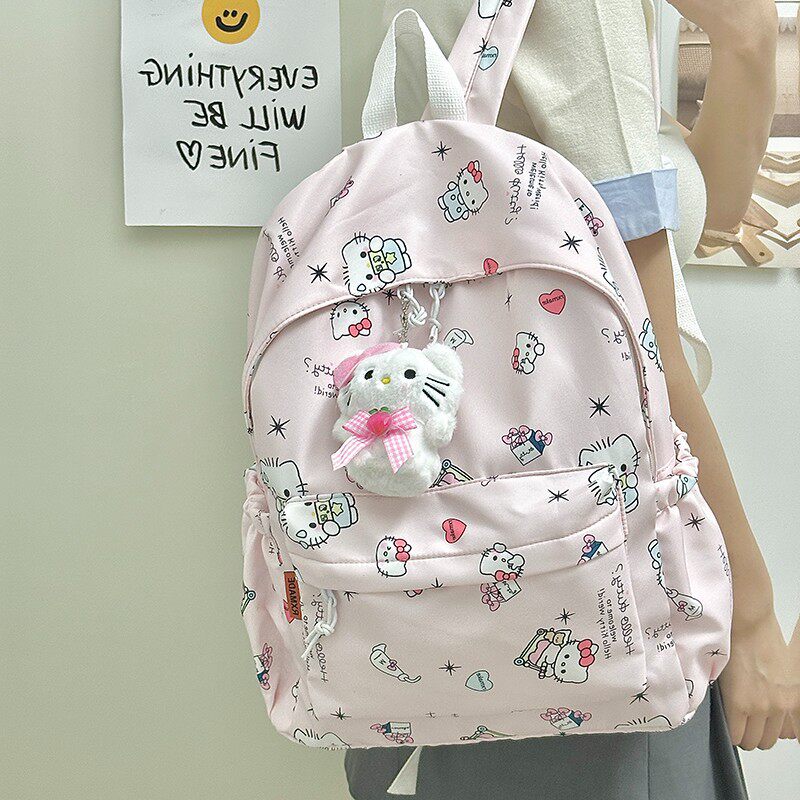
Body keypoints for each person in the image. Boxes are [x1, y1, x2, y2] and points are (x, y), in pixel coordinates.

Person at [345, 1, 785, 798]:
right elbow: (647, 356)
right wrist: (752, 617)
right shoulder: (583, 13)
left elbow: (708, 218)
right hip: (603, 565)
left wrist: (745, 35)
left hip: (490, 556)